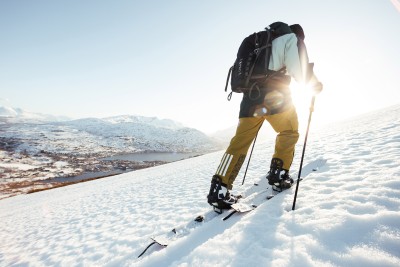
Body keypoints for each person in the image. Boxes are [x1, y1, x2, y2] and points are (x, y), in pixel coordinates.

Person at [207, 22, 323, 210]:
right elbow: (298, 70)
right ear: (299, 35)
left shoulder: (261, 41)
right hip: (276, 96)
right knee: (289, 131)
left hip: (249, 99)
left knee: (240, 142)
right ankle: (279, 175)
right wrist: (314, 84)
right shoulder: (291, 39)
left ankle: (218, 188)